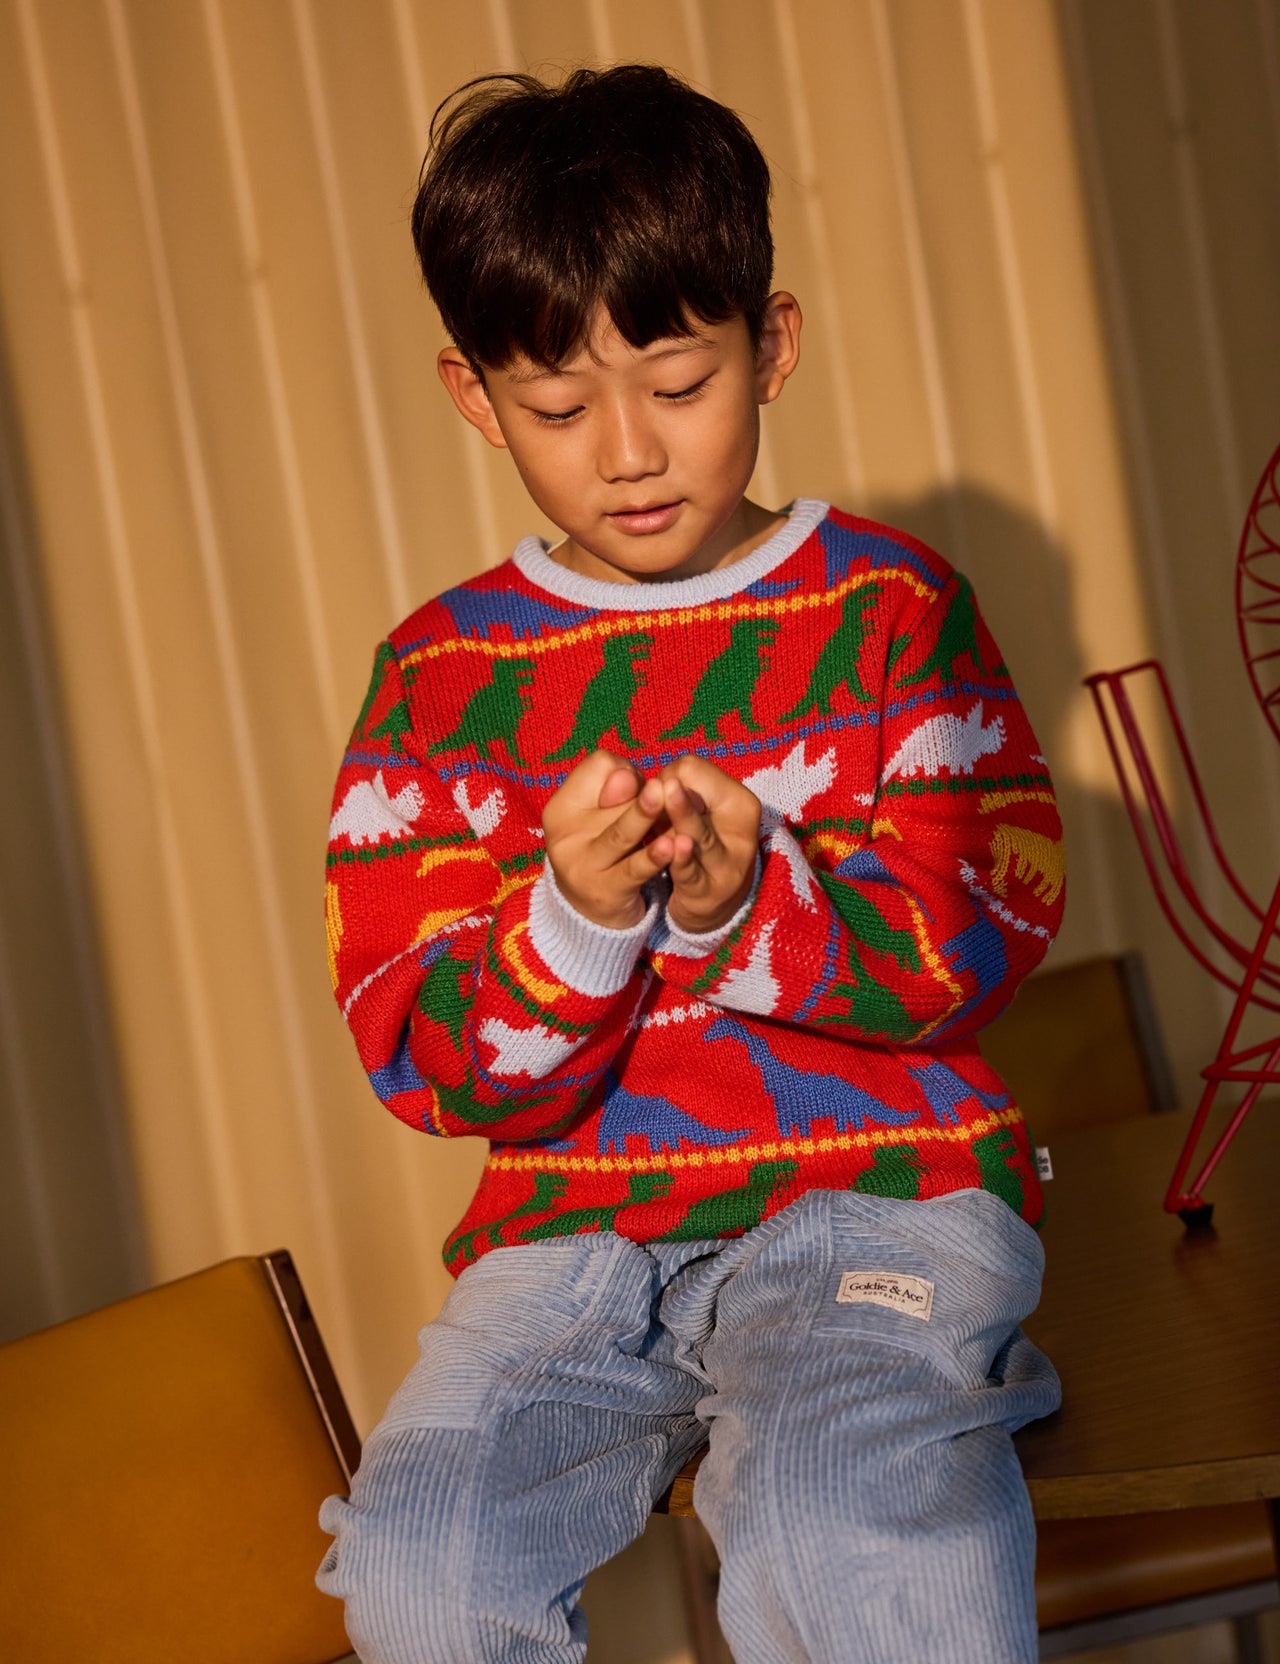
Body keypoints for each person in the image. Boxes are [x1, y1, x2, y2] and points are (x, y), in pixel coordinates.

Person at [316, 64, 1064, 1664]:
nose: (630, 452)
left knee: (837, 1518)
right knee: (423, 1560)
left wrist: (744, 907)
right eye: (561, 409)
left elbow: (982, 930)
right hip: (566, 1239)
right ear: (473, 394)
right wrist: (577, 925)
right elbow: (420, 1050)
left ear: (769, 343)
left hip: (875, 1200)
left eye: (678, 381)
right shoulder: (440, 680)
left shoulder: (887, 614)